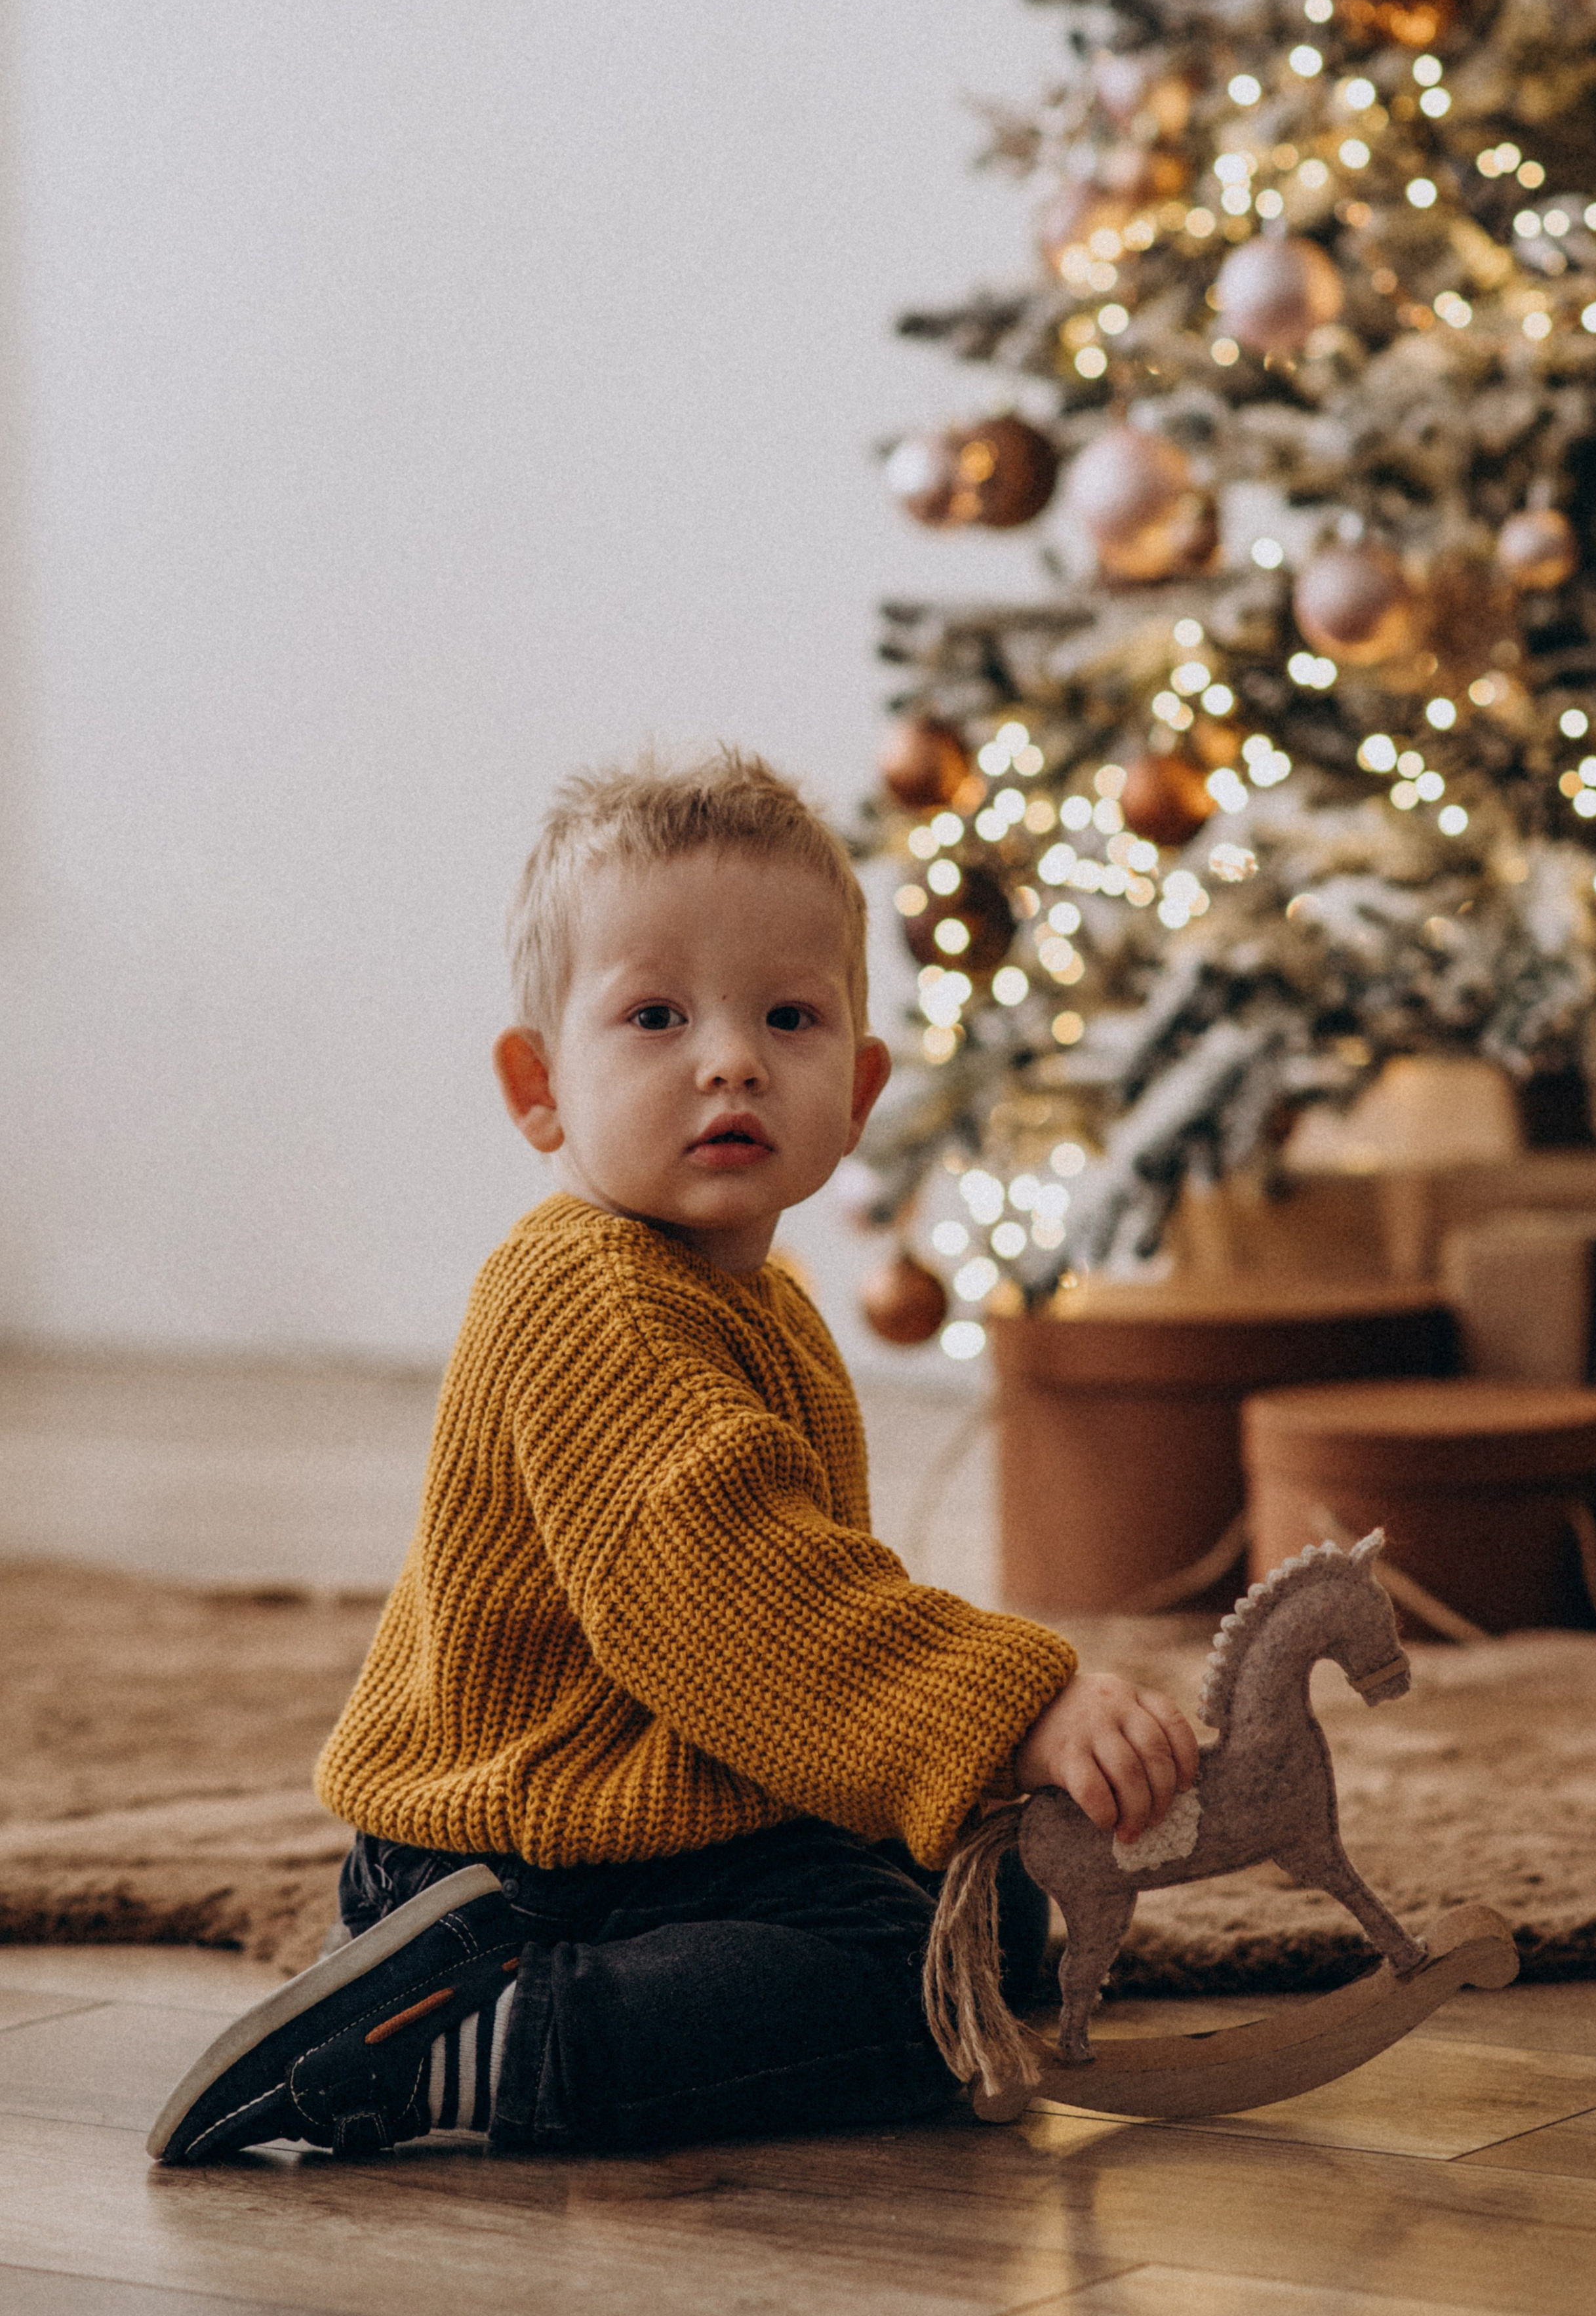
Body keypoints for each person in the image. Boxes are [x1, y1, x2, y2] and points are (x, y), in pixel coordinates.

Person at [148, 751, 1198, 2167]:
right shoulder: (587, 1290)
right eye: (655, 1015)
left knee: (987, 1903)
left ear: (859, 1086)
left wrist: (952, 1778)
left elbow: (802, 1599)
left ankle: (546, 2010)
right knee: (916, 1982)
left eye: (788, 1015)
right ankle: (486, 2037)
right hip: (513, 1859)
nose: (730, 1057)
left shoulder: (762, 1302)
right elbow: (727, 1596)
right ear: (540, 1085)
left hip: (660, 1809)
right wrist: (1009, 1703)